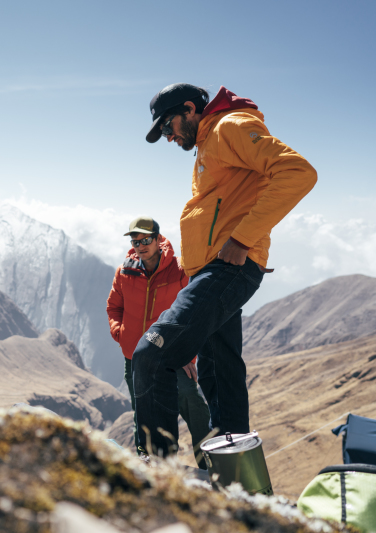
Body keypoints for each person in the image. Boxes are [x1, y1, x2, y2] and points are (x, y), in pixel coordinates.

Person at [134, 84, 317, 458]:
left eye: (169, 127)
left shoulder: (229, 127)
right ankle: (237, 480)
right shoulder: (208, 143)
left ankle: (156, 473)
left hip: (229, 268)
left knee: (150, 356)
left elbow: (298, 172)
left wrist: (242, 238)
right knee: (222, 378)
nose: (169, 138)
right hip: (216, 272)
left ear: (189, 109)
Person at [106, 216, 211, 467]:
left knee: (191, 402)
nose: (141, 245)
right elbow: (114, 307)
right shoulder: (125, 271)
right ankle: (153, 462)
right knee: (142, 410)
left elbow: (195, 313)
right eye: (136, 240)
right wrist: (121, 334)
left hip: (171, 355)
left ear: (158, 238)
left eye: (146, 240)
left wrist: (189, 355)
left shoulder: (179, 269)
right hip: (135, 357)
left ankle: (210, 461)